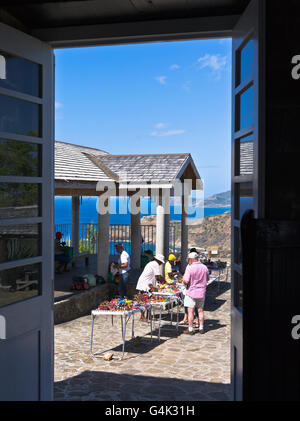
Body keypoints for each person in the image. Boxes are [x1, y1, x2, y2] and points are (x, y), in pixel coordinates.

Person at [182, 251, 209, 335]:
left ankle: (190, 329)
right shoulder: (204, 267)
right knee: (200, 310)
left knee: (190, 311)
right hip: (201, 292)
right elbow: (207, 279)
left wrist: (183, 281)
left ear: (191, 259)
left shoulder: (190, 268)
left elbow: (186, 281)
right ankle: (201, 328)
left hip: (191, 293)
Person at [136, 253, 165, 321]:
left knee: (148, 300)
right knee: (144, 300)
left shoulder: (152, 263)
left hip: (146, 284)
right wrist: (164, 281)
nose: (161, 263)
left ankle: (148, 316)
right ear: (159, 260)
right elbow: (158, 277)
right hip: (144, 284)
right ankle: (143, 316)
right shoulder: (155, 264)